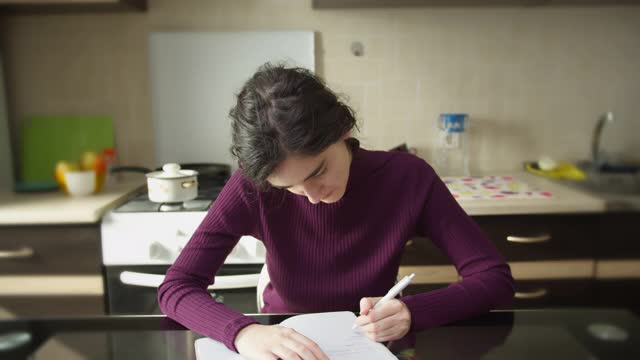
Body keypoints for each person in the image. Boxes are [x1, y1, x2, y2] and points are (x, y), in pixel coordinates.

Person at [158, 63, 514, 360]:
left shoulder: (407, 177)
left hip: (373, 343)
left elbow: (494, 278)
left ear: (343, 131)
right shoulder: (251, 186)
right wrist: (242, 333)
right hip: (282, 342)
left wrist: (413, 312)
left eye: (317, 172)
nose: (311, 197)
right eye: (290, 188)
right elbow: (176, 287)